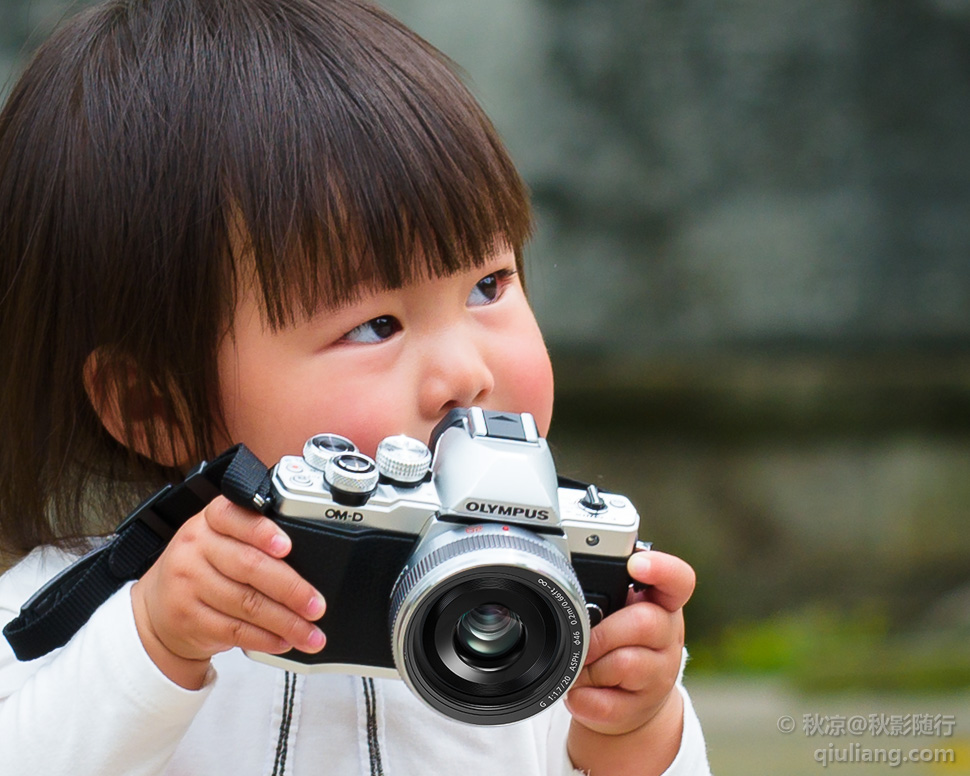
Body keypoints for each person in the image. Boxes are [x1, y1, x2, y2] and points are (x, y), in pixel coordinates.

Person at [0, 1, 711, 774]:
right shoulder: (66, 620)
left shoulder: (536, 607)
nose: (465, 373)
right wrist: (153, 646)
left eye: (488, 284)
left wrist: (634, 732)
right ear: (155, 405)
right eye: (374, 326)